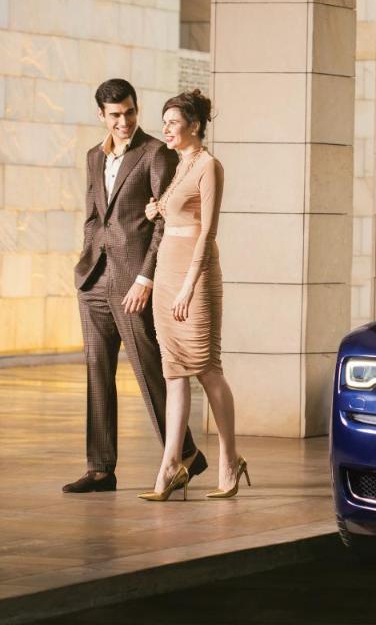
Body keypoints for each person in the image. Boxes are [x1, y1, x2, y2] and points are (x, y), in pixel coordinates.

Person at [64, 79, 207, 494]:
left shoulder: (155, 153)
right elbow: (93, 215)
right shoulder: (93, 157)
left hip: (133, 283)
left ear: (136, 109)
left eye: (129, 112)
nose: (123, 121)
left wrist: (146, 277)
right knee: (97, 372)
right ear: (101, 116)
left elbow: (165, 220)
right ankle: (99, 469)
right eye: (115, 115)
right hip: (94, 280)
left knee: (149, 370)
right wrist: (84, 261)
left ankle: (185, 453)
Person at [139, 90, 247, 502]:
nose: (166, 129)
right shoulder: (180, 164)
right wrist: (156, 210)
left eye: (173, 122)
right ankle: (171, 465)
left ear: (195, 125)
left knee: (206, 368)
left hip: (194, 277)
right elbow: (177, 213)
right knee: (173, 371)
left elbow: (207, 232)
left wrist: (188, 285)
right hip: (166, 272)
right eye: (164, 122)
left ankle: (229, 460)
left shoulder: (208, 166)